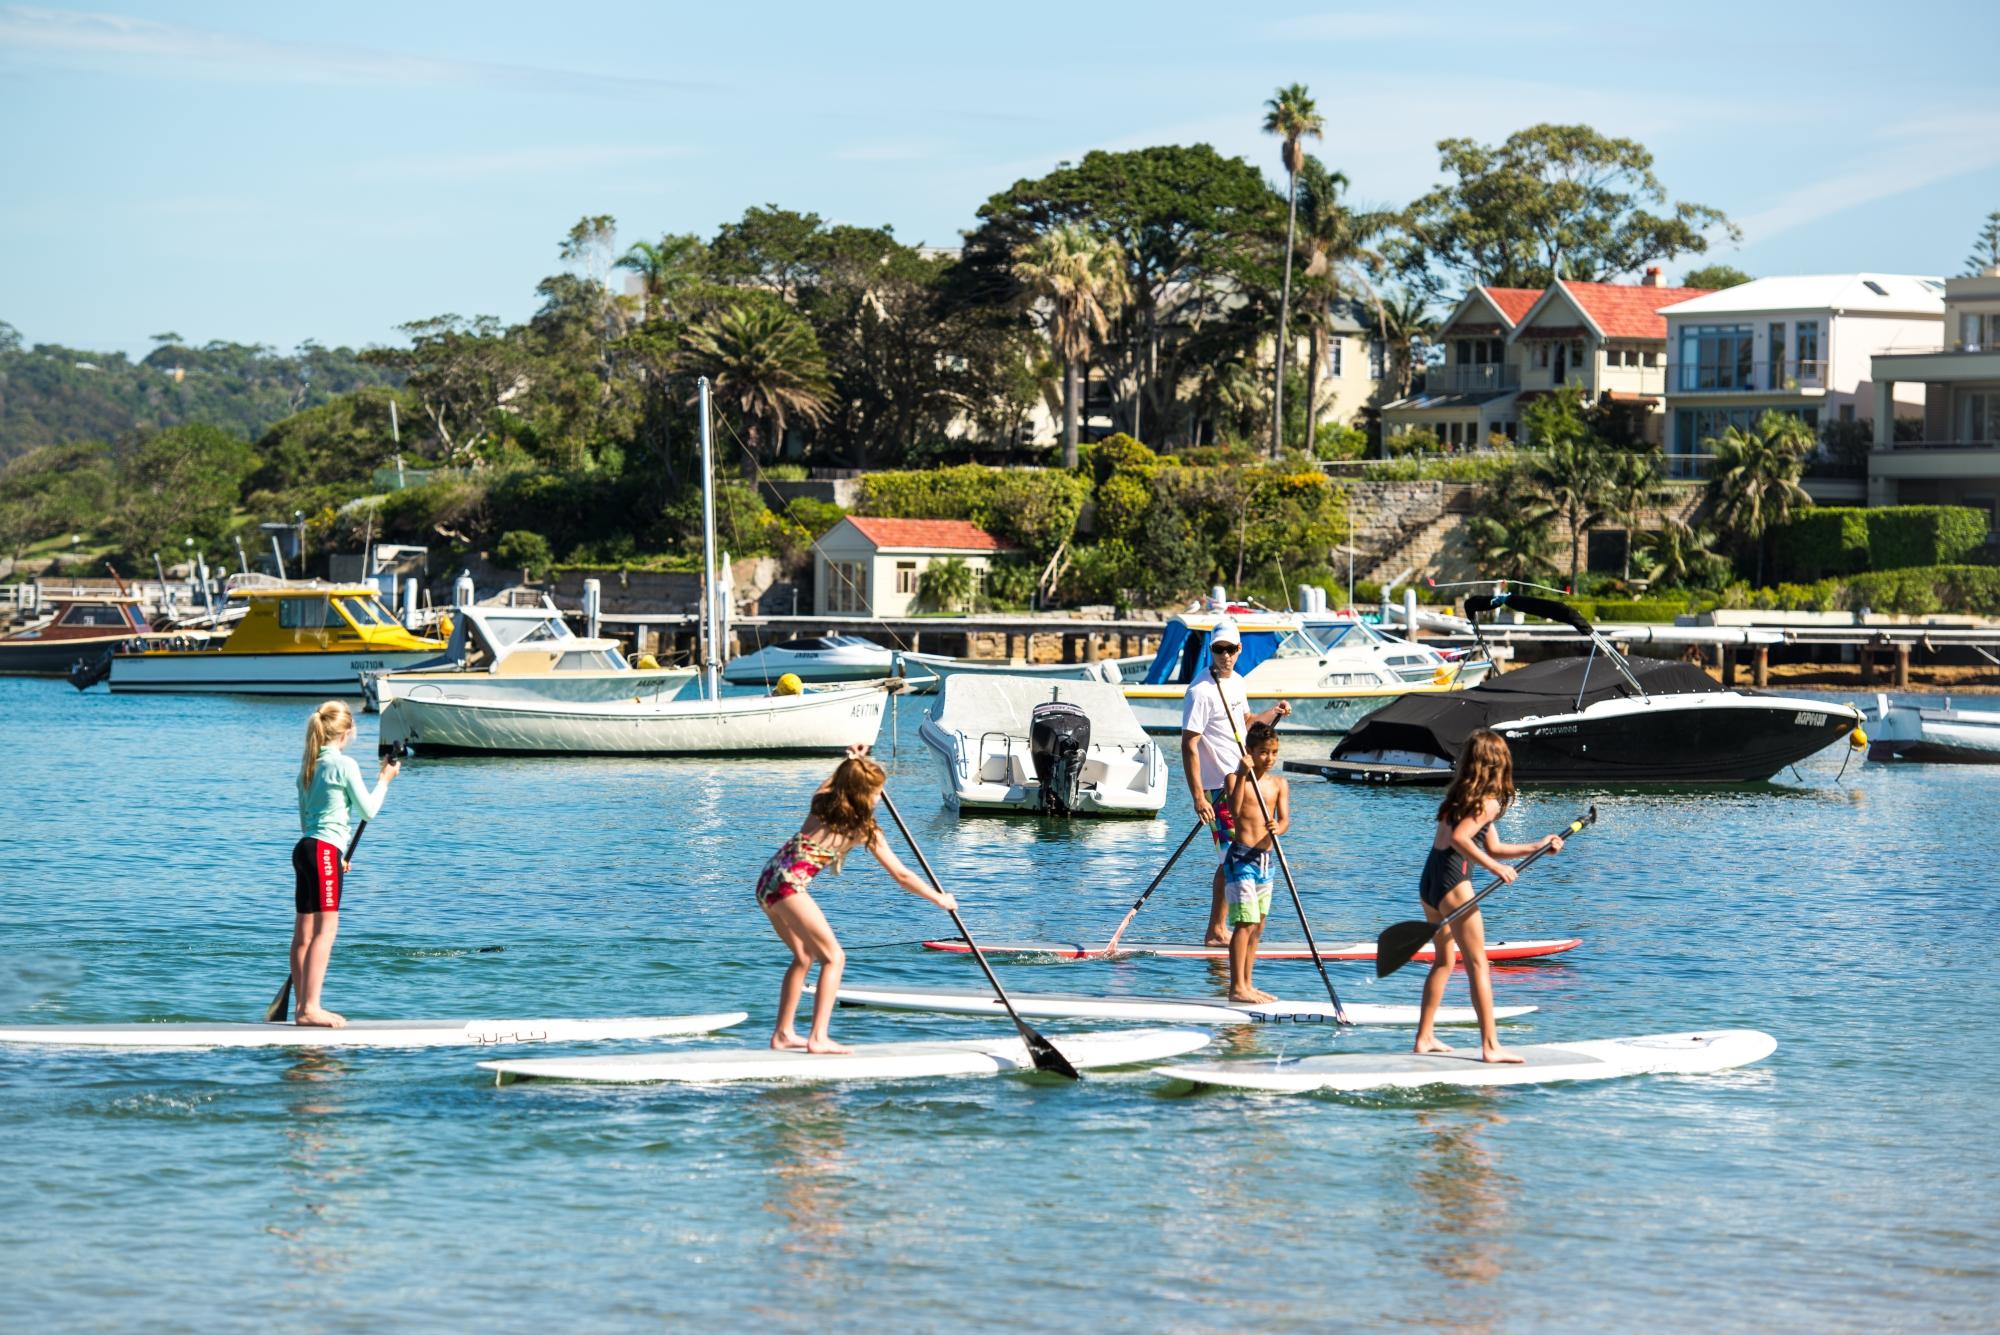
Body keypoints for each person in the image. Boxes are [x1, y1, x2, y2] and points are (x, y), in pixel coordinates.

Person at [756, 744, 955, 1054]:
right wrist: (939, 899)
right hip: (789, 886)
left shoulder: (822, 802)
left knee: (805, 957)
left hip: (767, 880)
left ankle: (783, 1033)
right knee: (834, 957)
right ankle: (818, 1037)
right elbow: (901, 875)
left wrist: (855, 760)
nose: (879, 798)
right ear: (863, 793)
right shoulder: (864, 829)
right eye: (876, 792)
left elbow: (837, 779)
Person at [1413, 729, 1562, 1063]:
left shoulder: (1460, 798)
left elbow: (1492, 845)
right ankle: (1490, 1046)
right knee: (1479, 963)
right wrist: (1495, 869)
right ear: (1499, 763)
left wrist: (1536, 846)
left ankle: (1424, 1038)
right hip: (1453, 883)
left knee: (1444, 960)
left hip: (1430, 882)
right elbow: (1462, 840)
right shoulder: (1488, 802)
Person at [1179, 618, 1290, 945]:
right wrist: (1198, 797)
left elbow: (1247, 724)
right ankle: (1216, 931)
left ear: (1239, 649)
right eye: (1218, 649)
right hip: (1219, 788)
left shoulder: (1237, 682)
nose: (1225, 655)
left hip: (1244, 783)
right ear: (1211, 650)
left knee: (1236, 856)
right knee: (1231, 858)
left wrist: (1275, 712)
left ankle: (1220, 929)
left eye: (1230, 649)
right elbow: (1189, 744)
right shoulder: (1199, 691)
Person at [292, 700, 399, 1028]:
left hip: (306, 849)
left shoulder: (307, 768)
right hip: (324, 851)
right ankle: (311, 1007)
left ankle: (301, 1008)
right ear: (347, 732)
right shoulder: (345, 765)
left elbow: (308, 822)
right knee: (327, 930)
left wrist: (334, 856)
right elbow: (367, 810)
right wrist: (384, 780)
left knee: (304, 934)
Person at [1219, 721, 1287, 1003]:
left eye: (1273, 752)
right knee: (1244, 923)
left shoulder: (1279, 784)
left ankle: (1248, 983)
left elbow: (1284, 821)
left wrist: (1277, 828)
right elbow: (1234, 813)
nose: (1269, 758)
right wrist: (1243, 773)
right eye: (1262, 752)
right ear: (1249, 751)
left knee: (1257, 926)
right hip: (1241, 858)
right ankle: (1236, 988)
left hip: (1265, 861)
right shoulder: (1235, 779)